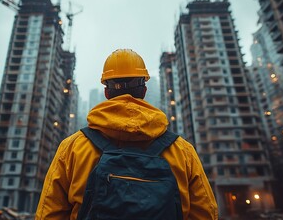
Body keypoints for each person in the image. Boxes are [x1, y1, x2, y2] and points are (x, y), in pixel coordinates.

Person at [35, 49, 218, 220]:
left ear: (106, 92)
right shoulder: (183, 151)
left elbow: (49, 214)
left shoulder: (72, 148)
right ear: (144, 91)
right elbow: (206, 213)